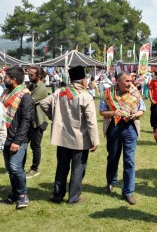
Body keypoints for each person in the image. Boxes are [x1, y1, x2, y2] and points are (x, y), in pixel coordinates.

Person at [40, 66, 100, 204]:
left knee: (62, 166)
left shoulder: (60, 92)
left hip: (62, 136)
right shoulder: (85, 96)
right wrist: (94, 140)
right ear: (84, 81)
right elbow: (91, 121)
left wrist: (54, 117)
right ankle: (73, 197)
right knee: (78, 169)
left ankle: (58, 195)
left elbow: (43, 103)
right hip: (79, 138)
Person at [99, 71, 146, 205]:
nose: (130, 83)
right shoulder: (108, 93)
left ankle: (128, 192)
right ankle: (111, 182)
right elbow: (101, 111)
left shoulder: (135, 93)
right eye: (127, 81)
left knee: (129, 160)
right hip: (114, 128)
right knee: (113, 157)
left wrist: (135, 114)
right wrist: (113, 113)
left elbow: (143, 109)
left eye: (131, 81)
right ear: (118, 81)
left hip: (130, 128)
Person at [1, 66, 34, 209]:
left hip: (17, 138)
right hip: (5, 136)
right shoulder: (6, 93)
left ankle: (22, 195)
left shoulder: (25, 96)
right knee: (9, 167)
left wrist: (17, 141)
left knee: (15, 167)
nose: (4, 79)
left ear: (13, 80)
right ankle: (14, 193)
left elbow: (26, 121)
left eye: (6, 78)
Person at [23, 66, 49, 178]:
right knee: (22, 144)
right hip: (29, 120)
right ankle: (19, 167)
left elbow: (28, 101)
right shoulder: (30, 85)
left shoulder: (41, 88)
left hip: (38, 121)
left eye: (31, 75)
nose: (29, 76)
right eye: (29, 74)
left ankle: (34, 169)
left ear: (38, 76)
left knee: (35, 146)